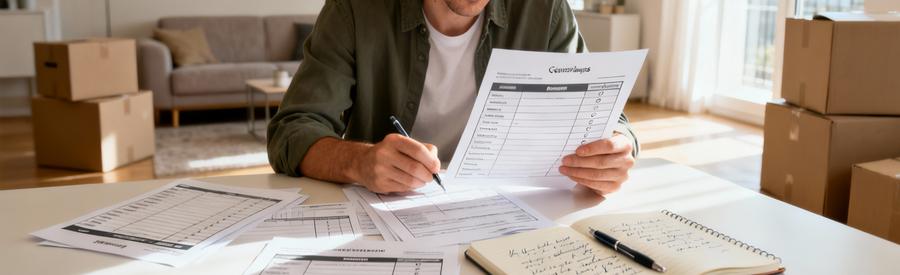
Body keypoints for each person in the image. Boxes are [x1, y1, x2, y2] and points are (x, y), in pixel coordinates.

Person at [267, 0, 638, 195]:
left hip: (508, 209)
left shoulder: (545, 9)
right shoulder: (354, 9)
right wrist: (360, 162)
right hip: (389, 217)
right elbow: (293, 129)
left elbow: (607, 116)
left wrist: (618, 148)